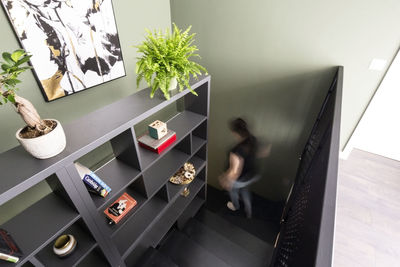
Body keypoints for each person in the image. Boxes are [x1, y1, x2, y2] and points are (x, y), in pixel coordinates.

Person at [219, 118, 258, 218]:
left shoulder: (236, 151)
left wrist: (226, 180)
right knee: (245, 190)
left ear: (235, 132)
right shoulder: (253, 139)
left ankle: (235, 206)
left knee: (233, 191)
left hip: (239, 179)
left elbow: (235, 171)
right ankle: (248, 210)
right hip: (250, 175)